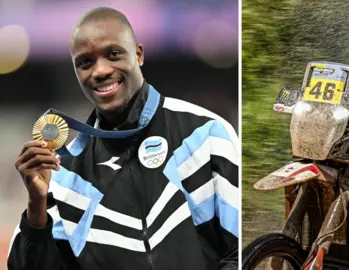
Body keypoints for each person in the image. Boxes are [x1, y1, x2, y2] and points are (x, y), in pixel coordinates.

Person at [7, 7, 239, 270]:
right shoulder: (66, 176)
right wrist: (36, 206)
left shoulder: (205, 135)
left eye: (113, 54)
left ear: (138, 54)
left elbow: (241, 252)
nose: (100, 70)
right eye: (85, 62)